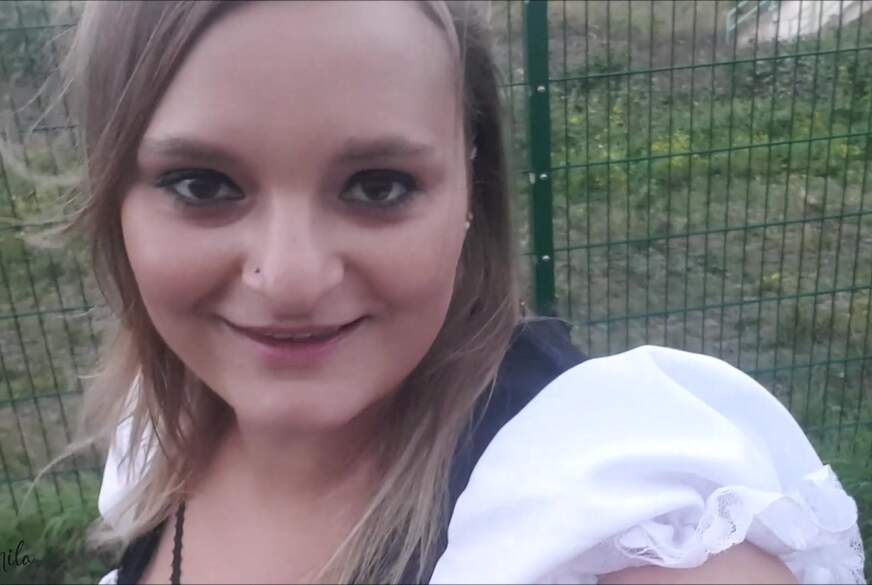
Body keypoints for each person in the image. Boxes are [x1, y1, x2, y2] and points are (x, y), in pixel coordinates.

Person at [49, 1, 862, 583]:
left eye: (377, 186)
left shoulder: (600, 511)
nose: (291, 278)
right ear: (113, 195)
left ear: (473, 183)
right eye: (201, 185)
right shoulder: (164, 430)